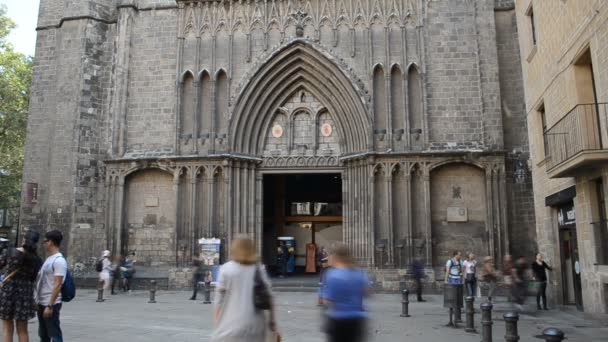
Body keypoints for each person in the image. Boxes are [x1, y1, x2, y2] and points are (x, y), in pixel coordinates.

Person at [212, 237, 278, 342]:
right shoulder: (259, 269)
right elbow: (270, 297)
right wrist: (272, 321)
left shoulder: (226, 269)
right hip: (255, 326)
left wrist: (217, 323)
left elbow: (218, 300)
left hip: (229, 325)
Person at [321, 244, 369, 342]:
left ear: (336, 257)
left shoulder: (332, 275)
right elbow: (366, 292)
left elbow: (326, 300)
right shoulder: (359, 273)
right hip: (357, 319)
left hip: (339, 320)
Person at [0, 230, 43, 342]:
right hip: (25, 293)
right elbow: (33, 278)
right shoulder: (37, 259)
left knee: (7, 328)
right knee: (23, 330)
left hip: (8, 292)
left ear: (24, 239)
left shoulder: (10, 252)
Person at [36, 230, 67, 342]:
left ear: (51, 242)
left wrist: (50, 305)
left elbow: (58, 284)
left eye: (45, 241)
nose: (44, 243)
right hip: (42, 302)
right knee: (43, 334)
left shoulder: (59, 261)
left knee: (54, 334)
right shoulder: (49, 259)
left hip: (51, 303)